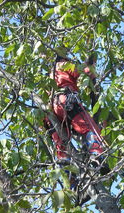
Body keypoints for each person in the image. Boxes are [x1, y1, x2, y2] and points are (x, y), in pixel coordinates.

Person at [43, 53, 106, 184]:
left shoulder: (49, 77)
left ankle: (70, 181)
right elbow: (85, 73)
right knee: (88, 126)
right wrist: (91, 67)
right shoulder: (65, 65)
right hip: (66, 99)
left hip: (52, 111)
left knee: (61, 146)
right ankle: (97, 156)